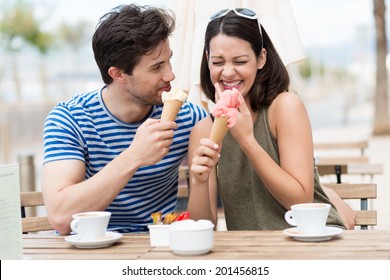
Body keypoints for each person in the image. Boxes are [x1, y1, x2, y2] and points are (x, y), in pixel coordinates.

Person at [42, 4, 207, 234]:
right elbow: (60, 217)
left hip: (158, 251)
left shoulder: (189, 118)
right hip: (90, 252)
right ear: (118, 74)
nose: (170, 74)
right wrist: (134, 156)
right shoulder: (70, 119)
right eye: (157, 67)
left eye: (169, 60)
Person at [187, 8, 355, 230]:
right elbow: (201, 226)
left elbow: (301, 202)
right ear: (207, 60)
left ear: (261, 58)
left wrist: (247, 140)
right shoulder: (204, 130)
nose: (227, 73)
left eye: (239, 61)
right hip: (252, 255)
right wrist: (199, 182)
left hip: (312, 240)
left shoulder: (285, 107)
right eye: (218, 62)